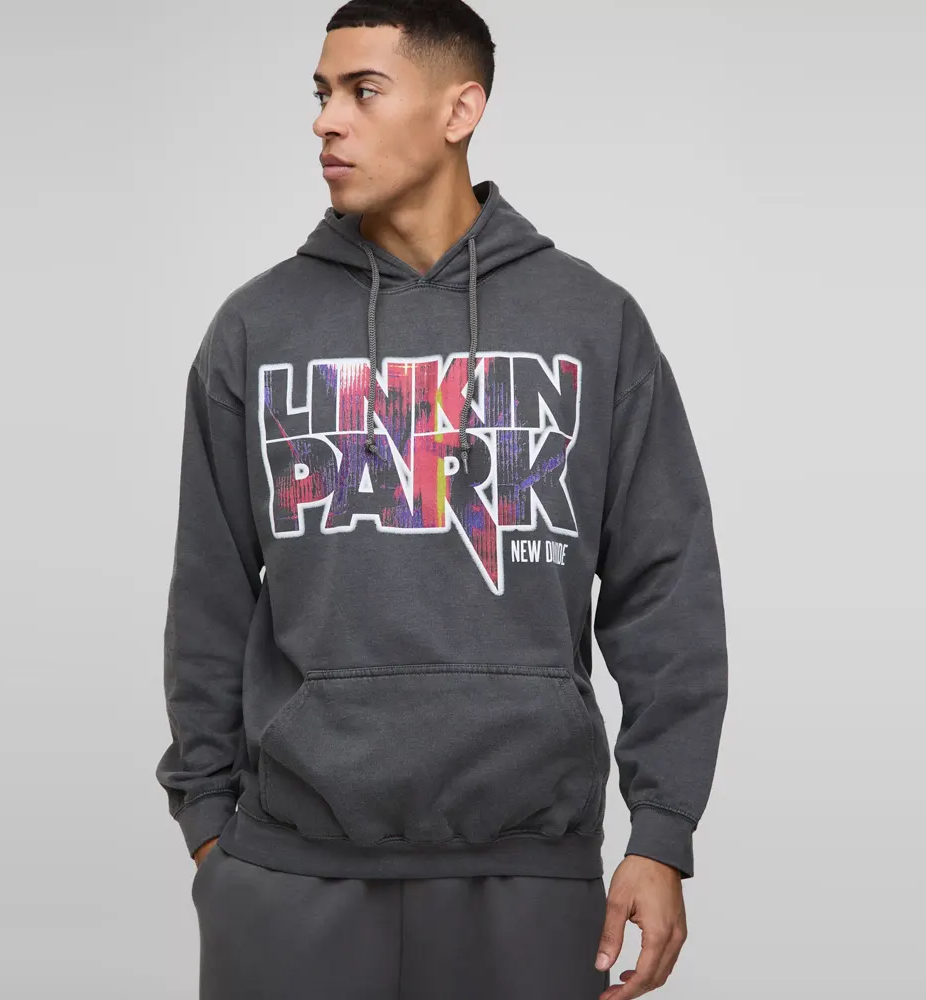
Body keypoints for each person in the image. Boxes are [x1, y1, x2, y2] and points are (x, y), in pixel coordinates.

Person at [155, 2, 729, 998]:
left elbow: (665, 587)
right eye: (322, 93)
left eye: (363, 90)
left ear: (460, 109)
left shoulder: (590, 322)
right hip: (288, 874)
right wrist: (209, 827)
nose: (326, 120)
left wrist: (662, 831)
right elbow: (209, 592)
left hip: (529, 868)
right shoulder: (257, 327)